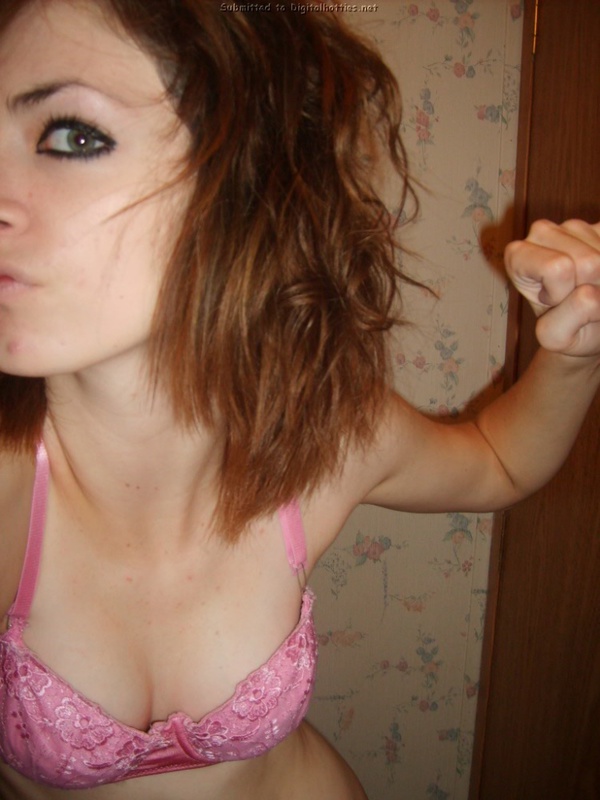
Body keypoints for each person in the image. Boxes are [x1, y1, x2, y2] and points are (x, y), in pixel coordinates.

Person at [0, 1, 598, 798]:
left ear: (242, 183)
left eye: (72, 136)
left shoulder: (316, 437)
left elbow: (497, 463)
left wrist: (576, 352)